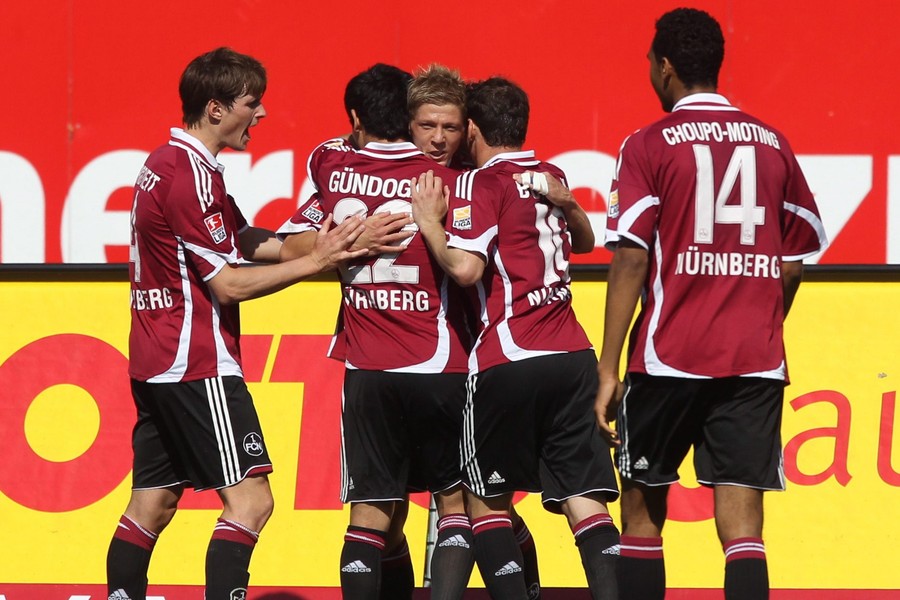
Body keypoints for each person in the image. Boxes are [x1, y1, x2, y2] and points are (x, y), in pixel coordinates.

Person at [106, 47, 365, 600]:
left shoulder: (166, 162)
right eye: (253, 102)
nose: (262, 113)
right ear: (217, 109)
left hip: (155, 358)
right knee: (251, 502)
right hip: (196, 360)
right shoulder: (190, 176)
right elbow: (228, 284)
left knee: (152, 503)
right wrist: (316, 263)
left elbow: (244, 239)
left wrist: (319, 244)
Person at [593, 9, 828, 600]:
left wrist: (608, 366)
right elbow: (794, 260)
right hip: (753, 360)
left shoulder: (647, 143)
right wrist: (759, 318)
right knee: (744, 528)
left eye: (651, 62)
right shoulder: (773, 143)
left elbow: (631, 258)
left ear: (665, 67)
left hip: (668, 356)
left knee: (642, 516)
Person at [411, 77, 620, 600]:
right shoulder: (551, 175)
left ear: (472, 129)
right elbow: (587, 242)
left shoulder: (481, 183)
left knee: (486, 503)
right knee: (586, 501)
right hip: (572, 355)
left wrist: (430, 224)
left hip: (510, 355)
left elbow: (465, 270)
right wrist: (570, 205)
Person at [281, 63, 474, 600]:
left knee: (372, 516)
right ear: (410, 116)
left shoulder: (330, 165)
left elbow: (289, 244)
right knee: (454, 504)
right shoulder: (446, 179)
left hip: (367, 369)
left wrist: (349, 237)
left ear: (355, 117)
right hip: (440, 362)